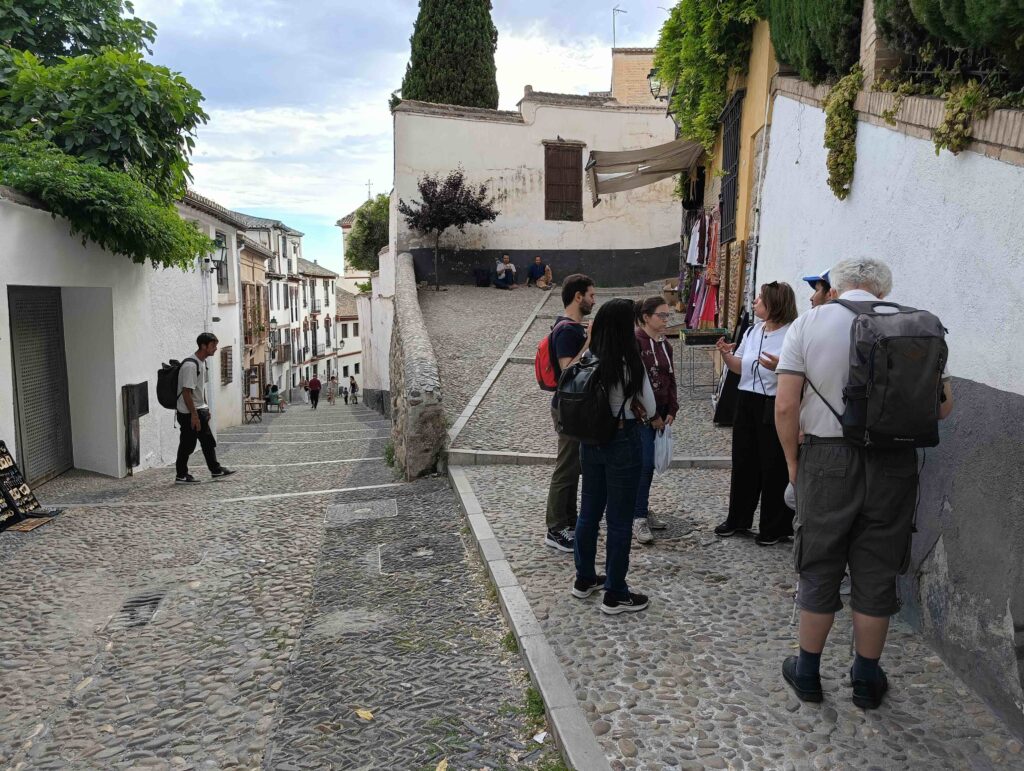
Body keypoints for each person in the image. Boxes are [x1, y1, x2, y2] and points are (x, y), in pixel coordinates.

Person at [775, 258, 954, 709]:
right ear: (882, 288)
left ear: (838, 284)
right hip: (893, 462)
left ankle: (809, 673)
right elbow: (943, 408)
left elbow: (784, 407)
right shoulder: (916, 325)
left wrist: (795, 465)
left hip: (826, 458)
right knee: (876, 570)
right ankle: (866, 679)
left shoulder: (810, 322)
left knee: (819, 563)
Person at [572, 298, 657, 615]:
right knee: (619, 520)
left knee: (588, 512)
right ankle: (616, 593)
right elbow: (649, 407)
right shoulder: (628, 361)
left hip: (591, 441)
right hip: (623, 439)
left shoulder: (590, 357)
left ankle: (584, 579)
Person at [713, 282, 799, 545]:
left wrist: (779, 367)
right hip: (747, 400)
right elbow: (740, 366)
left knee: (773, 465)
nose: (754, 303)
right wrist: (727, 357)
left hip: (775, 401)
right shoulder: (752, 331)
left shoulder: (792, 334)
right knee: (743, 462)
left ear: (774, 304)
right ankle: (738, 519)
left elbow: (797, 372)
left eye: (760, 299)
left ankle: (774, 527)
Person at [544, 274, 595, 553]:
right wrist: (589, 341)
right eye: (590, 295)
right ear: (578, 296)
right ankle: (555, 528)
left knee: (574, 467)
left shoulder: (573, 327)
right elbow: (567, 370)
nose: (593, 300)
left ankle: (568, 522)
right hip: (568, 407)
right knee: (565, 468)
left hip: (575, 407)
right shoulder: (566, 330)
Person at [632, 297, 679, 545]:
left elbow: (670, 377)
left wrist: (672, 407)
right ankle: (637, 516)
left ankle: (641, 507)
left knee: (649, 465)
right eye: (661, 315)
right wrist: (652, 415)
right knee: (644, 463)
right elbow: (637, 386)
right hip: (643, 416)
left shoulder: (665, 345)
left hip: (661, 412)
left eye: (667, 316)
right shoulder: (636, 343)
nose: (665, 320)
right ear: (646, 317)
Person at [174, 332, 235, 484]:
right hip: (188, 412)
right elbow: (187, 393)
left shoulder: (202, 363)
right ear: (203, 346)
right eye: (213, 345)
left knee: (207, 441)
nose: (215, 348)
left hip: (198, 410)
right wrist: (194, 415)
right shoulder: (190, 365)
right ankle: (181, 475)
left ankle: (216, 470)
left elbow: (201, 389)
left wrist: (205, 408)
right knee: (187, 445)